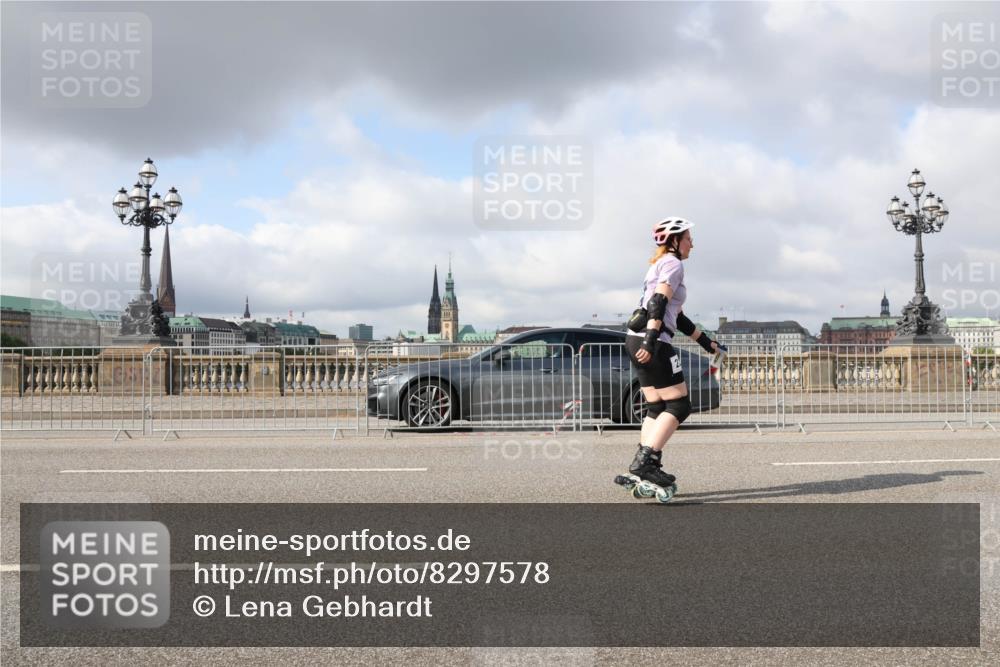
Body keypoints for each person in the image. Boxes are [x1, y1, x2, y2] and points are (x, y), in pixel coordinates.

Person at [622, 217, 723, 493]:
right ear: (676, 241)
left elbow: (677, 317)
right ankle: (647, 463)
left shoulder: (658, 264)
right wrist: (652, 341)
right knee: (679, 405)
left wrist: (706, 343)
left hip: (635, 339)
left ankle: (643, 462)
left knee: (656, 407)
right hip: (652, 341)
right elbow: (658, 302)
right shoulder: (673, 263)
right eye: (689, 238)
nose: (693, 243)